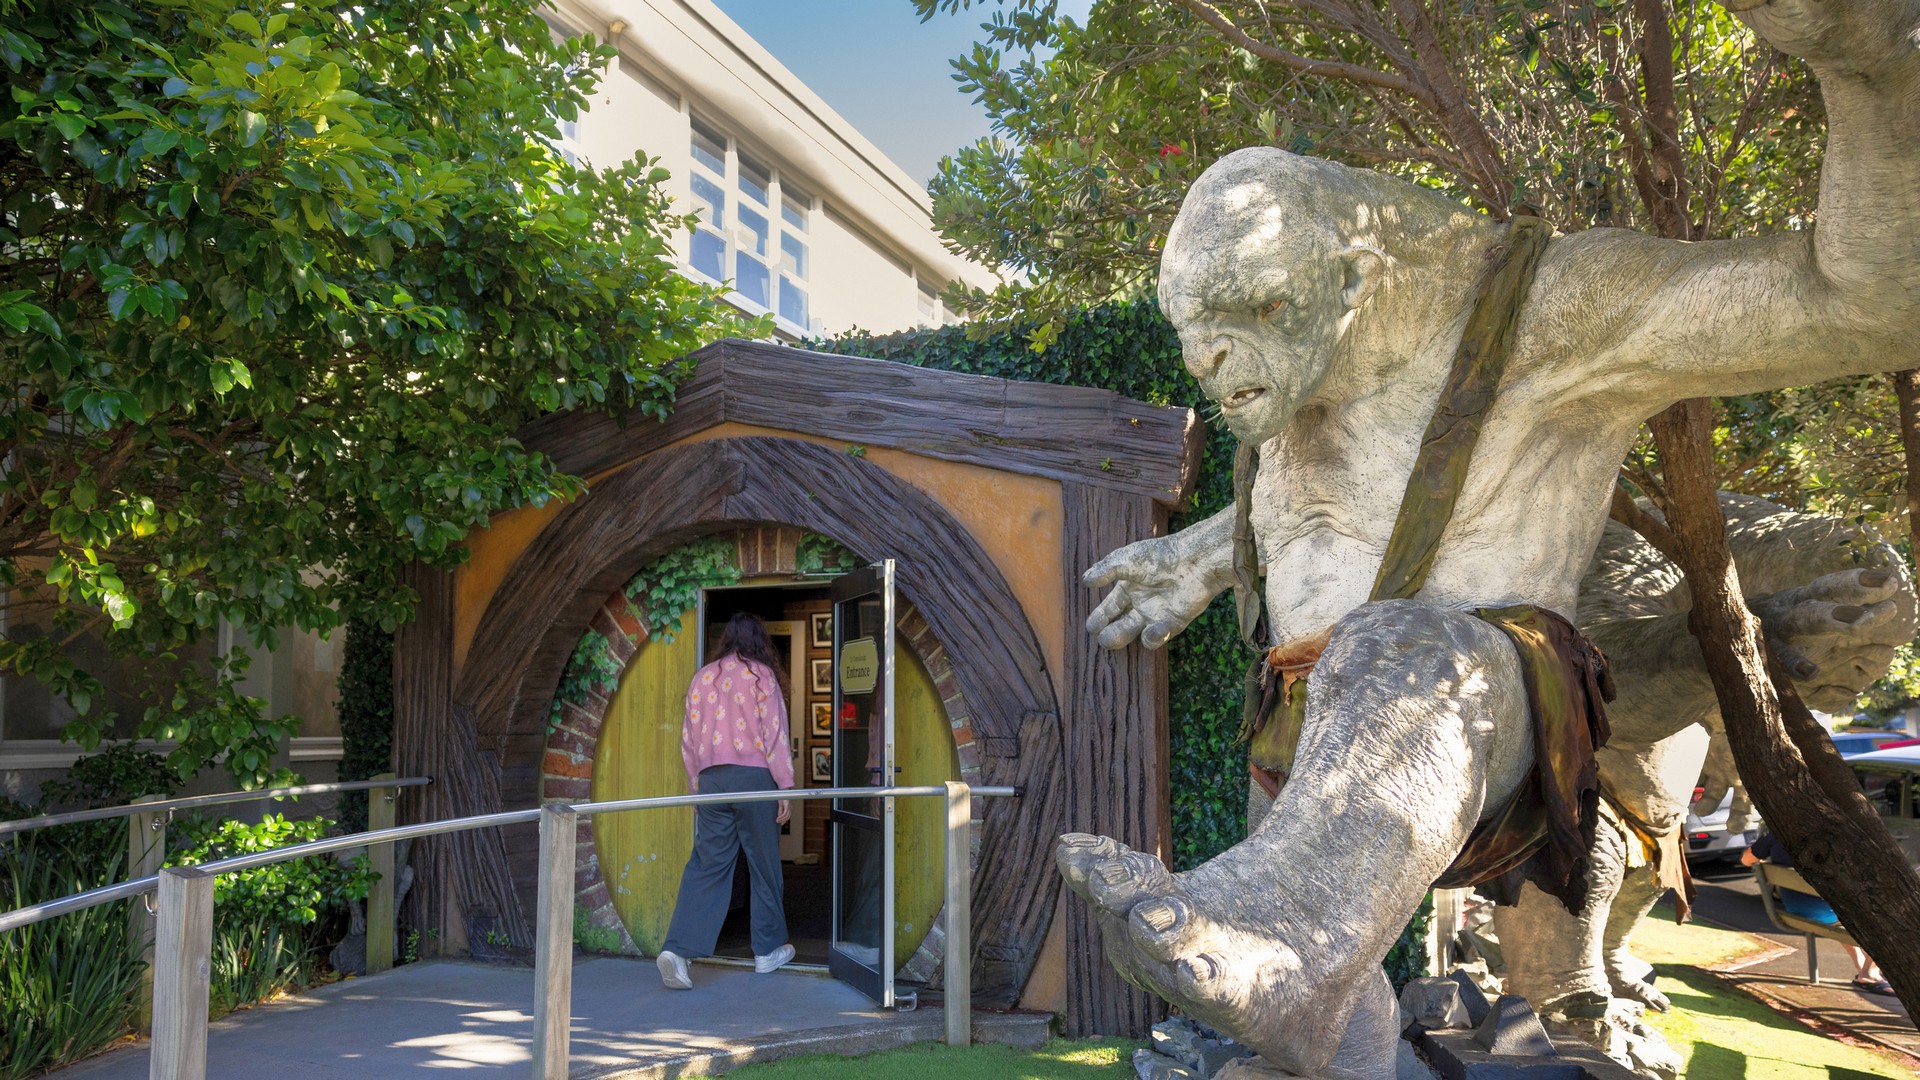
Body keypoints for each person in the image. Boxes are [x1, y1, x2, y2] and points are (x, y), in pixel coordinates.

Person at [656, 612, 795, 989]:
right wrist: (786, 787)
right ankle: (767, 952)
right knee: (763, 863)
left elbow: (688, 740)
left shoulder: (703, 678)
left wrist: (696, 786)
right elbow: (776, 735)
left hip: (713, 781)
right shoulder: (761, 676)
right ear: (759, 641)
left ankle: (677, 951)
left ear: (726, 640)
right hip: (755, 779)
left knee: (706, 865)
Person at [1741, 831, 1893, 996]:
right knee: (1892, 924)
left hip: (1796, 910)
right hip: (1833, 914)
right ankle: (1869, 974)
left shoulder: (1778, 833)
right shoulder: (1834, 835)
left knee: (1840, 912)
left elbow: (1746, 860)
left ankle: (1861, 967)